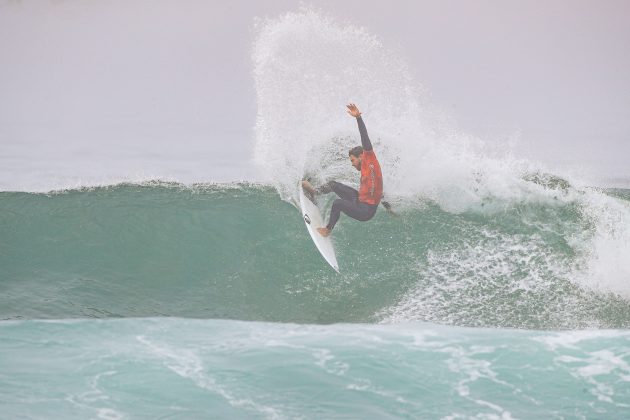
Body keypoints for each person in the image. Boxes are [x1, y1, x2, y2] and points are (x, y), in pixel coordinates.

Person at [302, 103, 393, 237]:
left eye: (352, 160)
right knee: (333, 184)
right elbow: (379, 192)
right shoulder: (367, 167)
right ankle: (315, 192)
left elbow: (365, 137)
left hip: (365, 211)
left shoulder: (370, 159)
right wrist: (388, 206)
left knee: (337, 204)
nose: (351, 164)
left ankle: (327, 230)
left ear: (361, 156)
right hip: (360, 200)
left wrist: (358, 118)